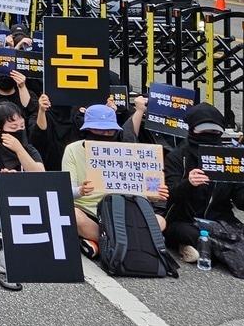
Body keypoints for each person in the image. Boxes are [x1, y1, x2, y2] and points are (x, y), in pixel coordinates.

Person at [162, 103, 244, 267]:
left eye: (214, 131)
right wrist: (188, 183)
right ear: (192, 130)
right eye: (204, 131)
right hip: (186, 221)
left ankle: (208, 250)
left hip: (221, 224)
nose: (210, 135)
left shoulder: (229, 158)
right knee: (183, 232)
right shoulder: (177, 157)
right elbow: (168, 194)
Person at [61, 104, 167, 244]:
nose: (105, 135)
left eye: (109, 131)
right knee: (74, 216)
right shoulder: (72, 150)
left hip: (121, 210)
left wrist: (154, 194)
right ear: (87, 130)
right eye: (99, 130)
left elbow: (139, 189)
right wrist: (81, 190)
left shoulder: (123, 150)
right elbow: (67, 191)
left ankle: (106, 243)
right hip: (88, 210)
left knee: (160, 221)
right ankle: (127, 243)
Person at [0, 101, 45, 243]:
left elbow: (40, 174)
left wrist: (19, 149)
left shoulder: (29, 150)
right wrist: (1, 176)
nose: (19, 130)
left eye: (22, 126)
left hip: (26, 212)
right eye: (13, 127)